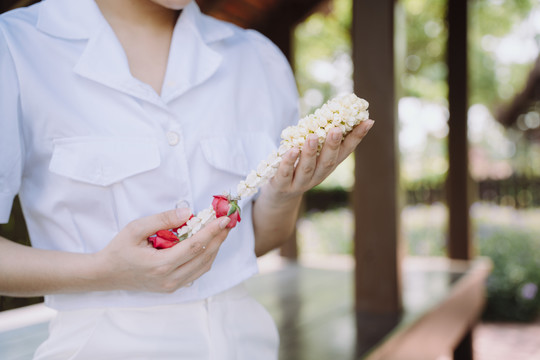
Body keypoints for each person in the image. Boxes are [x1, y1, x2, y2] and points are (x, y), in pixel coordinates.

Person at [0, 0, 374, 358]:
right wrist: (104, 271)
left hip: (247, 343)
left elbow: (256, 242)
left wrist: (284, 196)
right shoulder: (15, 48)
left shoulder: (257, 58)